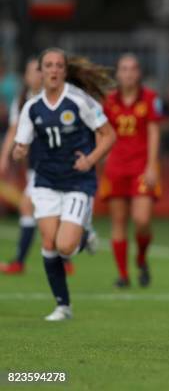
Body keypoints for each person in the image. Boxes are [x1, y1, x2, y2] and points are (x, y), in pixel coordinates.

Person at [12, 47, 115, 321]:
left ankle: (83, 234)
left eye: (59, 65)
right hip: (45, 181)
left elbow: (108, 135)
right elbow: (20, 145)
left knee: (65, 247)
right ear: (40, 71)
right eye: (48, 65)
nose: (54, 70)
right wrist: (18, 151)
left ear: (65, 71)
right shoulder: (32, 107)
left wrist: (90, 159)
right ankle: (63, 306)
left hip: (77, 181)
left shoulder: (79, 100)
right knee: (49, 242)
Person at [100, 54, 162, 288]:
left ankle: (141, 258)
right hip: (115, 166)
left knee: (142, 219)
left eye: (132, 68)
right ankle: (123, 275)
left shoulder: (150, 98)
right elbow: (102, 132)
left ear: (139, 73)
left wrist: (151, 165)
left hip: (141, 167)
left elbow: (155, 132)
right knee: (118, 220)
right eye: (123, 68)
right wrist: (102, 156)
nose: (128, 73)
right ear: (117, 73)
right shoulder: (108, 101)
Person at [0, 57, 43, 274]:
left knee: (28, 206)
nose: (36, 74)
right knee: (40, 211)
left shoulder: (56, 98)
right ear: (25, 76)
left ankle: (19, 262)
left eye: (39, 70)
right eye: (32, 71)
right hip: (34, 165)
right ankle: (66, 254)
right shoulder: (23, 100)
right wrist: (5, 156)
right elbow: (14, 130)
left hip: (52, 166)